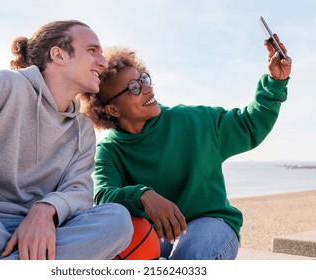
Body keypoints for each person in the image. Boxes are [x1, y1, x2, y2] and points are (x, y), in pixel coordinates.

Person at [0, 20, 133, 260]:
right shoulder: (4, 84)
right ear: (58, 55)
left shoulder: (82, 129)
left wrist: (45, 210)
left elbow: (78, 192)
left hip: (39, 234)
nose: (103, 62)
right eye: (93, 51)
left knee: (118, 220)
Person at [80, 35, 292, 260]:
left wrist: (275, 82)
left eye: (144, 79)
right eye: (134, 87)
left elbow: (250, 124)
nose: (147, 89)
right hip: (156, 233)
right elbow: (103, 197)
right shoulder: (110, 150)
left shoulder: (194, 120)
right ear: (112, 110)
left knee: (190, 255)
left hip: (211, 222)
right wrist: (143, 196)